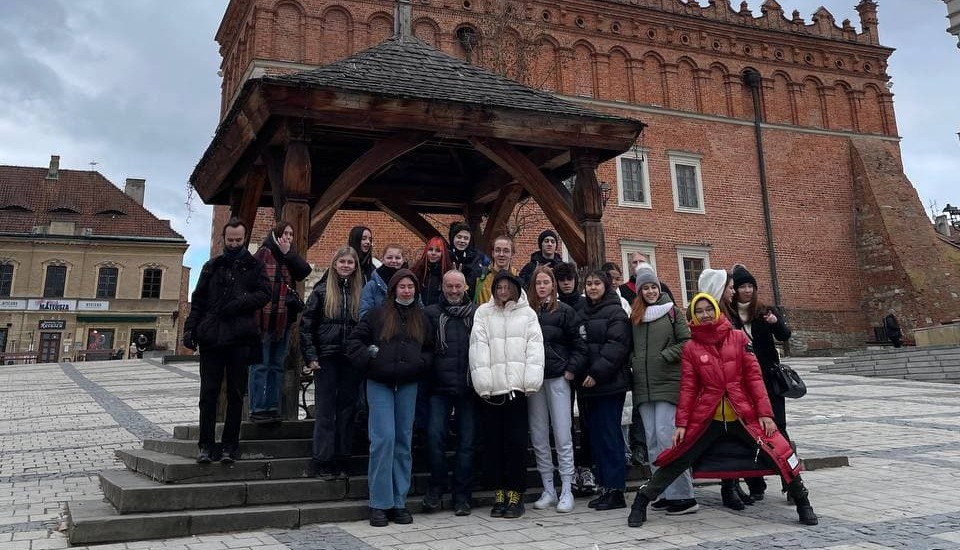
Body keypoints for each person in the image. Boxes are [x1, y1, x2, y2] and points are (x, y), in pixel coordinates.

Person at [627, 292, 818, 528]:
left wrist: (765, 414)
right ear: (693, 316)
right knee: (677, 457)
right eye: (699, 311)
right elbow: (688, 388)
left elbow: (754, 379)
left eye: (709, 309)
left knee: (779, 451)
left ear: (717, 311)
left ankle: (803, 501)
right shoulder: (691, 348)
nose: (705, 314)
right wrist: (682, 425)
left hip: (742, 415)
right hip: (709, 417)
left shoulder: (738, 338)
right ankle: (641, 500)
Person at [346, 268, 432, 527]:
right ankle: (379, 503)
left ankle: (398, 501)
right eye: (402, 286)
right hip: (380, 383)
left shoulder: (422, 318)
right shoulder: (377, 315)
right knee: (383, 439)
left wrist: (419, 364)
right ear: (394, 289)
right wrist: (371, 359)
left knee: (403, 441)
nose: (406, 291)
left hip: (408, 384)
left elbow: (429, 350)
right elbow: (354, 344)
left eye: (410, 287)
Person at [182, 218, 270, 464]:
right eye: (230, 240)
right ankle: (206, 445)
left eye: (238, 240)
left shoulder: (254, 266)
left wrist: (240, 302)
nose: (233, 244)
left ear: (244, 239)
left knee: (235, 393)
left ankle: (230, 445)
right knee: (207, 393)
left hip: (240, 337)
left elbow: (265, 293)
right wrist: (190, 329)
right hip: (212, 337)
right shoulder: (212, 266)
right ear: (224, 239)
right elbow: (198, 300)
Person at [469, 270, 544, 519]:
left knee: (516, 444)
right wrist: (483, 383)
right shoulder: (483, 313)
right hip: (492, 390)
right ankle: (498, 492)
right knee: (493, 444)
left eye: (506, 287)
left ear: (515, 288)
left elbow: (534, 348)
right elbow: (478, 349)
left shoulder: (528, 314)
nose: (502, 292)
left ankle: (516, 494)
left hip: (516, 390)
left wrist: (530, 381)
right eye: (498, 288)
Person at [629, 262, 696, 515]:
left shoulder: (672, 312)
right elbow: (631, 348)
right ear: (639, 292)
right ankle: (663, 491)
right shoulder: (636, 317)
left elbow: (687, 343)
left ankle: (684, 496)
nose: (650, 292)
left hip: (668, 384)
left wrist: (666, 355)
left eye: (653, 287)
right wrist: (633, 361)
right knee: (653, 441)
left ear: (659, 288)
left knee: (669, 438)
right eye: (645, 288)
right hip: (644, 388)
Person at [729, 263, 793, 503]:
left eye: (750, 286)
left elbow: (785, 335)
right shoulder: (731, 314)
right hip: (744, 381)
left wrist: (775, 322)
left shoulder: (764, 311)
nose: (747, 290)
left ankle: (791, 480)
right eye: (742, 286)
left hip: (768, 379)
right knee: (749, 431)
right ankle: (755, 481)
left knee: (779, 429)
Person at [299, 246, 364, 479]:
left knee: (347, 411)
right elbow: (307, 326)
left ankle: (343, 457)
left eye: (350, 262)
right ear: (335, 264)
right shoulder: (321, 291)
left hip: (350, 359)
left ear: (355, 266)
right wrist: (311, 356)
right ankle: (323, 459)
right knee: (326, 411)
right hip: (327, 357)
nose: (346, 266)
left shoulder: (360, 292)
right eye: (342, 262)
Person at [527, 266, 587, 513]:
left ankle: (566, 488)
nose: (542, 286)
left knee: (563, 436)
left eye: (545, 282)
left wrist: (570, 369)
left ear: (552, 285)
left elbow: (579, 345)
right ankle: (548, 488)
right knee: (539, 436)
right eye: (538, 283)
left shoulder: (565, 312)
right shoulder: (528, 313)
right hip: (534, 380)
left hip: (558, 377)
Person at [422, 270, 479, 516]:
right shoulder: (430, 314)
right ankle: (436, 484)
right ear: (442, 288)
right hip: (439, 387)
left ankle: (462, 494)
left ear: (466, 287)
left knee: (467, 442)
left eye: (458, 287)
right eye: (449, 287)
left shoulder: (477, 314)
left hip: (469, 388)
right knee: (434, 438)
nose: (454, 291)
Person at [578, 269, 632, 511]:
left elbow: (616, 347)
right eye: (588, 284)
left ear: (606, 286)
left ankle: (616, 490)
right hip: (588, 385)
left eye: (596, 283)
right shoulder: (584, 312)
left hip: (608, 385)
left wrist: (596, 374)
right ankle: (604, 488)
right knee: (598, 438)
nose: (592, 287)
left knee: (610, 438)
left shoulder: (616, 312)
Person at [248, 221, 312, 424]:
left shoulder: (288, 257)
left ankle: (272, 407)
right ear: (276, 234)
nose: (288, 238)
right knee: (260, 365)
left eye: (291, 234)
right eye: (285, 233)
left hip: (283, 320)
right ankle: (257, 408)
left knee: (276, 365)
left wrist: (289, 253)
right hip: (263, 319)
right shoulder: (263, 253)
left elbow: (304, 271)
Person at [553, 261, 595, 495]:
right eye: (563, 280)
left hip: (582, 368)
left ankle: (585, 466)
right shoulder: (553, 305)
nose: (567, 283)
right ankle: (569, 469)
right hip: (561, 368)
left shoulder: (584, 304)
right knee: (564, 421)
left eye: (570, 279)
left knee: (586, 419)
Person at [360, 244, 405, 318]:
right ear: (382, 259)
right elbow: (364, 314)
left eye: (397, 258)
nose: (394, 261)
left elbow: (417, 309)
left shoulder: (410, 284)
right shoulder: (371, 286)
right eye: (389, 257)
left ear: (403, 260)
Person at [447, 221, 490, 297]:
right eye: (459, 237)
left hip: (471, 302)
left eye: (466, 238)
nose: (462, 241)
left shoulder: (479, 258)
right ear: (453, 238)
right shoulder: (445, 256)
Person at [411, 236, 452, 308]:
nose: (433, 253)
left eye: (438, 251)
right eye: (430, 249)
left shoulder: (448, 272)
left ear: (443, 253)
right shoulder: (416, 271)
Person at [474, 236, 517, 304]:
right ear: (493, 253)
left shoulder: (517, 277)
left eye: (506, 251)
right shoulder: (479, 276)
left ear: (512, 254)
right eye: (497, 250)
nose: (501, 254)